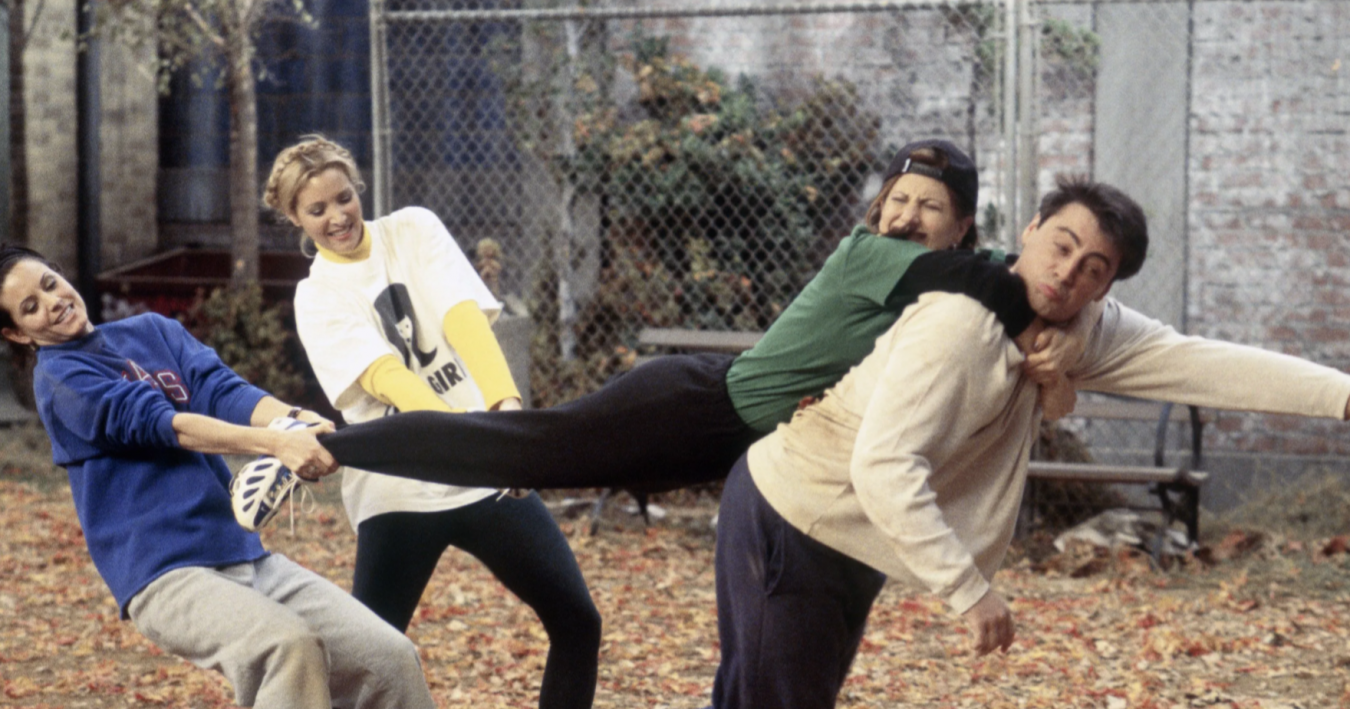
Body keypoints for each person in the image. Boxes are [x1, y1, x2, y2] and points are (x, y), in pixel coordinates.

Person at [706, 175, 1350, 709]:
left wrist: (1342, 397)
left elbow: (1202, 363)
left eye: (1092, 269)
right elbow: (882, 466)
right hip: (793, 515)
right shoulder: (961, 328)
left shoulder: (1077, 328)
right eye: (1060, 245)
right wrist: (968, 590)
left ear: (1105, 288)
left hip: (849, 533)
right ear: (1030, 230)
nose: (1066, 273)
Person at [310, 139, 1081, 493]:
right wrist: (1047, 317)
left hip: (728, 446)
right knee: (520, 450)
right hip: (695, 406)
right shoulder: (873, 254)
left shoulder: (948, 298)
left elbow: (1008, 296)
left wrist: (1054, 351)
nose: (906, 216)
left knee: (527, 465)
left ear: (962, 225)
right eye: (897, 200)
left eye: (929, 207)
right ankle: (328, 445)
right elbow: (1000, 285)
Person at [0, 245, 436, 709]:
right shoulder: (60, 381)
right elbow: (169, 427)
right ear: (16, 332)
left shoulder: (151, 332)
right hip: (165, 575)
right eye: (31, 307)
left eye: (50, 284)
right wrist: (277, 443)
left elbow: (221, 390)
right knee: (287, 648)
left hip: (241, 552)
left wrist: (293, 418)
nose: (53, 303)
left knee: (388, 657)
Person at [262, 136, 601, 709]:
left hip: (482, 473)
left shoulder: (413, 229)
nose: (337, 216)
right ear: (294, 217)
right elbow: (388, 378)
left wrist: (507, 414)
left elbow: (465, 320)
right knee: (370, 660)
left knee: (577, 621)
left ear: (357, 188)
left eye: (344, 198)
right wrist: (480, 444)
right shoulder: (315, 296)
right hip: (400, 489)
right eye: (317, 209)